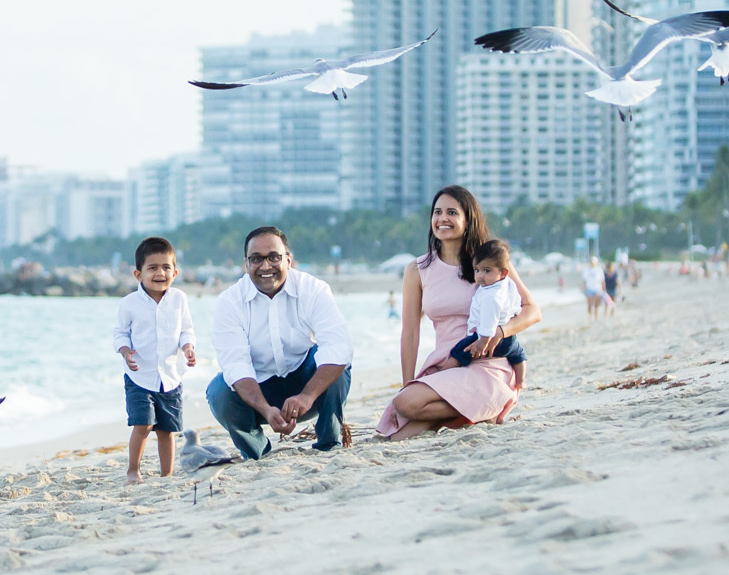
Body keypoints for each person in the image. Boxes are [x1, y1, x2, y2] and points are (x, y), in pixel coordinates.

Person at [377, 186, 542, 440]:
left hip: (488, 364)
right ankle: (478, 411)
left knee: (407, 405)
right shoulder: (417, 269)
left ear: (468, 219)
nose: (443, 218)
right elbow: (410, 333)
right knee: (399, 425)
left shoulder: (490, 263)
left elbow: (532, 310)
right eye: (437, 212)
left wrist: (500, 332)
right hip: (444, 365)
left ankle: (489, 400)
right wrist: (407, 384)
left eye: (452, 212)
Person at [205, 226, 354, 459]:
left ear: (288, 260)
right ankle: (256, 452)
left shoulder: (313, 289)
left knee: (337, 365)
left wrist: (306, 396)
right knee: (219, 391)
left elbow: (339, 346)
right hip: (258, 388)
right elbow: (235, 365)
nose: (266, 266)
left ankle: (329, 443)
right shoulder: (229, 302)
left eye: (274, 257)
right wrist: (266, 409)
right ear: (246, 264)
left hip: (307, 382)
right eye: (256, 259)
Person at [113, 237, 196, 484]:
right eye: (152, 268)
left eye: (166, 267)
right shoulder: (129, 304)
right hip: (140, 375)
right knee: (143, 425)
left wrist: (188, 347)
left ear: (175, 272)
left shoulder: (179, 299)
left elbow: (186, 330)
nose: (160, 273)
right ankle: (133, 470)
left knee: (167, 430)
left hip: (170, 376)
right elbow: (120, 334)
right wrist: (125, 351)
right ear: (138, 274)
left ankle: (166, 474)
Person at [419, 239, 525, 391]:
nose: (480, 276)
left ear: (503, 273)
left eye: (487, 271)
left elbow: (488, 323)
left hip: (486, 337)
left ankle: (444, 372)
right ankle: (520, 381)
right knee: (518, 354)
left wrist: (482, 342)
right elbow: (517, 304)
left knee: (459, 351)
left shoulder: (490, 296)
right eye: (477, 270)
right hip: (509, 338)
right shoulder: (507, 284)